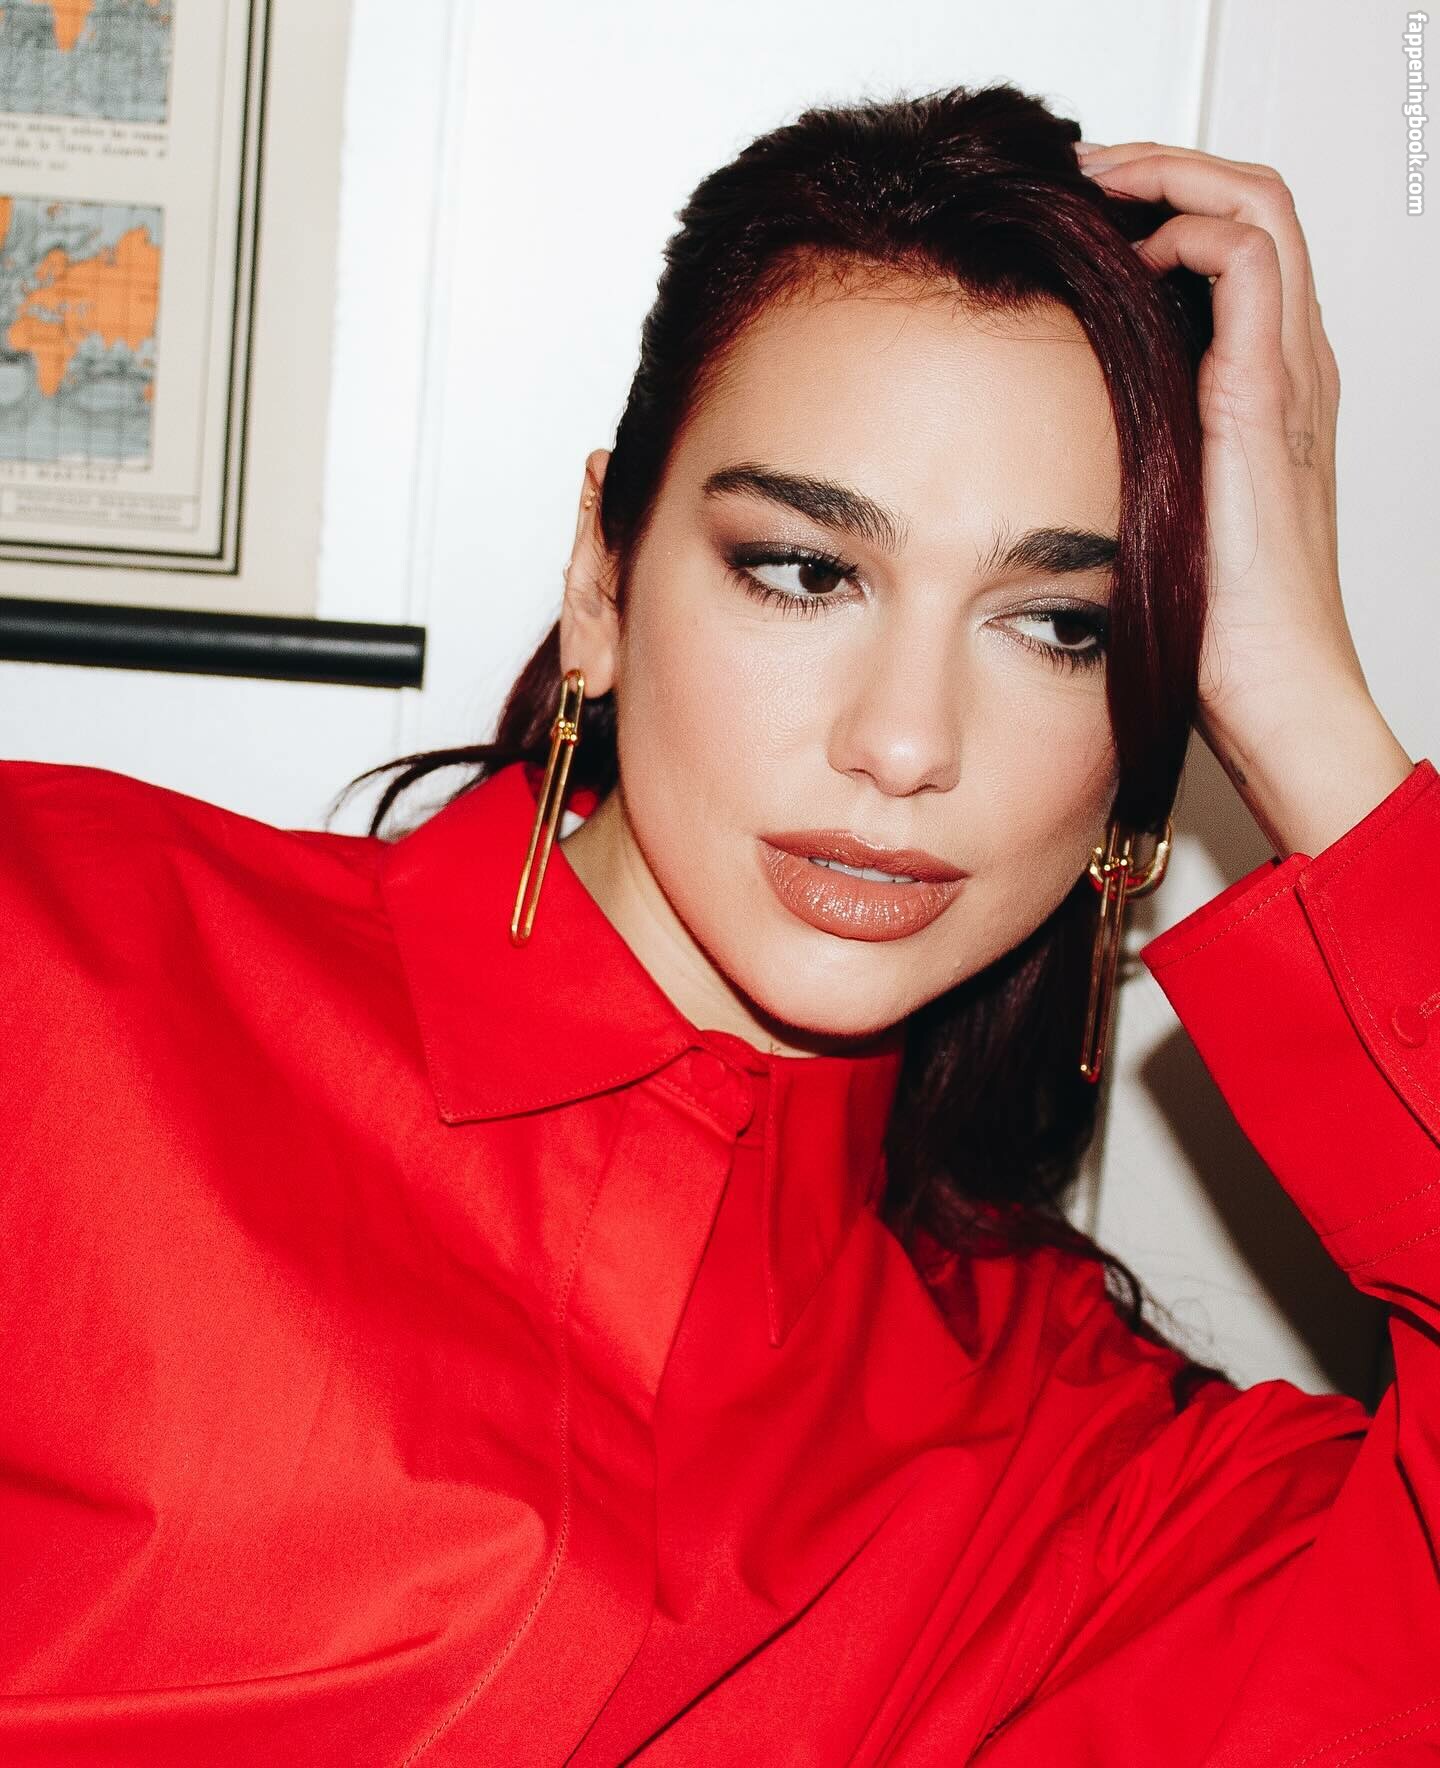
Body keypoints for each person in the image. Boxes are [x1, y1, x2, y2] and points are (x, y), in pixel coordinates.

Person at [0, 79, 1433, 1767]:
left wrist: (1303, 705)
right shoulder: (64, 961)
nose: (905, 743)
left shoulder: (1091, 1481)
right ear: (603, 580)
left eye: (1061, 625)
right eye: (806, 570)